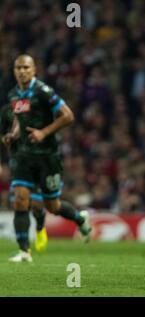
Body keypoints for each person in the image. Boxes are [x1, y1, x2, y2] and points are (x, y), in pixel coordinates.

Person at [2, 55, 92, 262]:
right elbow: (19, 118)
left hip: (47, 157)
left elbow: (68, 115)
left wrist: (43, 132)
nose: (22, 71)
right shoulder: (14, 94)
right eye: (18, 67)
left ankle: (79, 218)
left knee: (53, 206)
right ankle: (25, 251)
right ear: (14, 70)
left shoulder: (44, 92)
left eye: (26, 67)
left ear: (34, 70)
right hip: (24, 156)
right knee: (20, 199)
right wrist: (14, 133)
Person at [1, 104, 48, 252]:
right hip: (19, 162)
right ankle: (24, 248)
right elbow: (3, 135)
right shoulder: (6, 112)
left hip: (39, 161)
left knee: (37, 205)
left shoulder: (40, 107)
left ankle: (40, 227)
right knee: (21, 201)